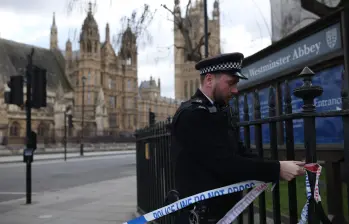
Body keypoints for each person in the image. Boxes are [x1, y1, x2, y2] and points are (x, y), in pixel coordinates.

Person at [169, 52, 305, 224]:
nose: (235, 90)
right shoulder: (193, 115)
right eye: (231, 83)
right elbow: (225, 163)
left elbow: (239, 153)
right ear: (209, 80)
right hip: (199, 216)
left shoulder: (217, 110)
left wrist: (280, 166)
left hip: (219, 213)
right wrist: (277, 169)